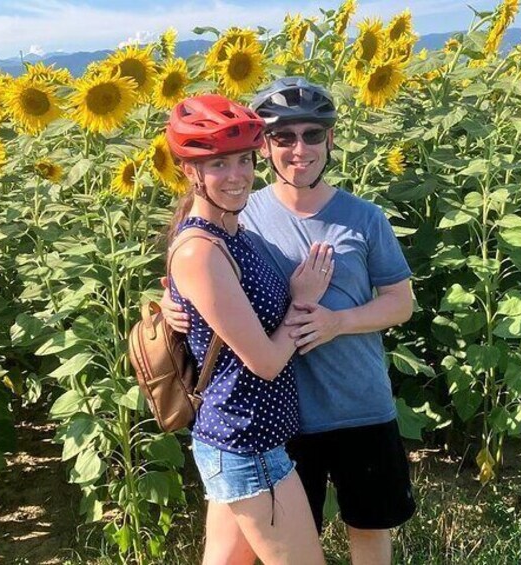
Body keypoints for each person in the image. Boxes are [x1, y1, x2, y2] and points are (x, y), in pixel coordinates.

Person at [162, 78, 416, 565]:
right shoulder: (239, 211)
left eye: (313, 135)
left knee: (370, 526)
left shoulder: (364, 218)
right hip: (280, 420)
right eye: (284, 138)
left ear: (331, 140)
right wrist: (168, 306)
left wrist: (338, 322)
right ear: (267, 146)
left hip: (358, 404)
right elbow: (191, 268)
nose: (300, 149)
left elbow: (400, 303)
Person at [163, 93, 333, 565]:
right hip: (247, 443)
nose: (237, 176)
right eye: (218, 163)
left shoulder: (236, 232)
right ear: (190, 171)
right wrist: (302, 302)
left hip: (240, 438)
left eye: (243, 160)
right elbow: (265, 360)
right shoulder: (202, 249)